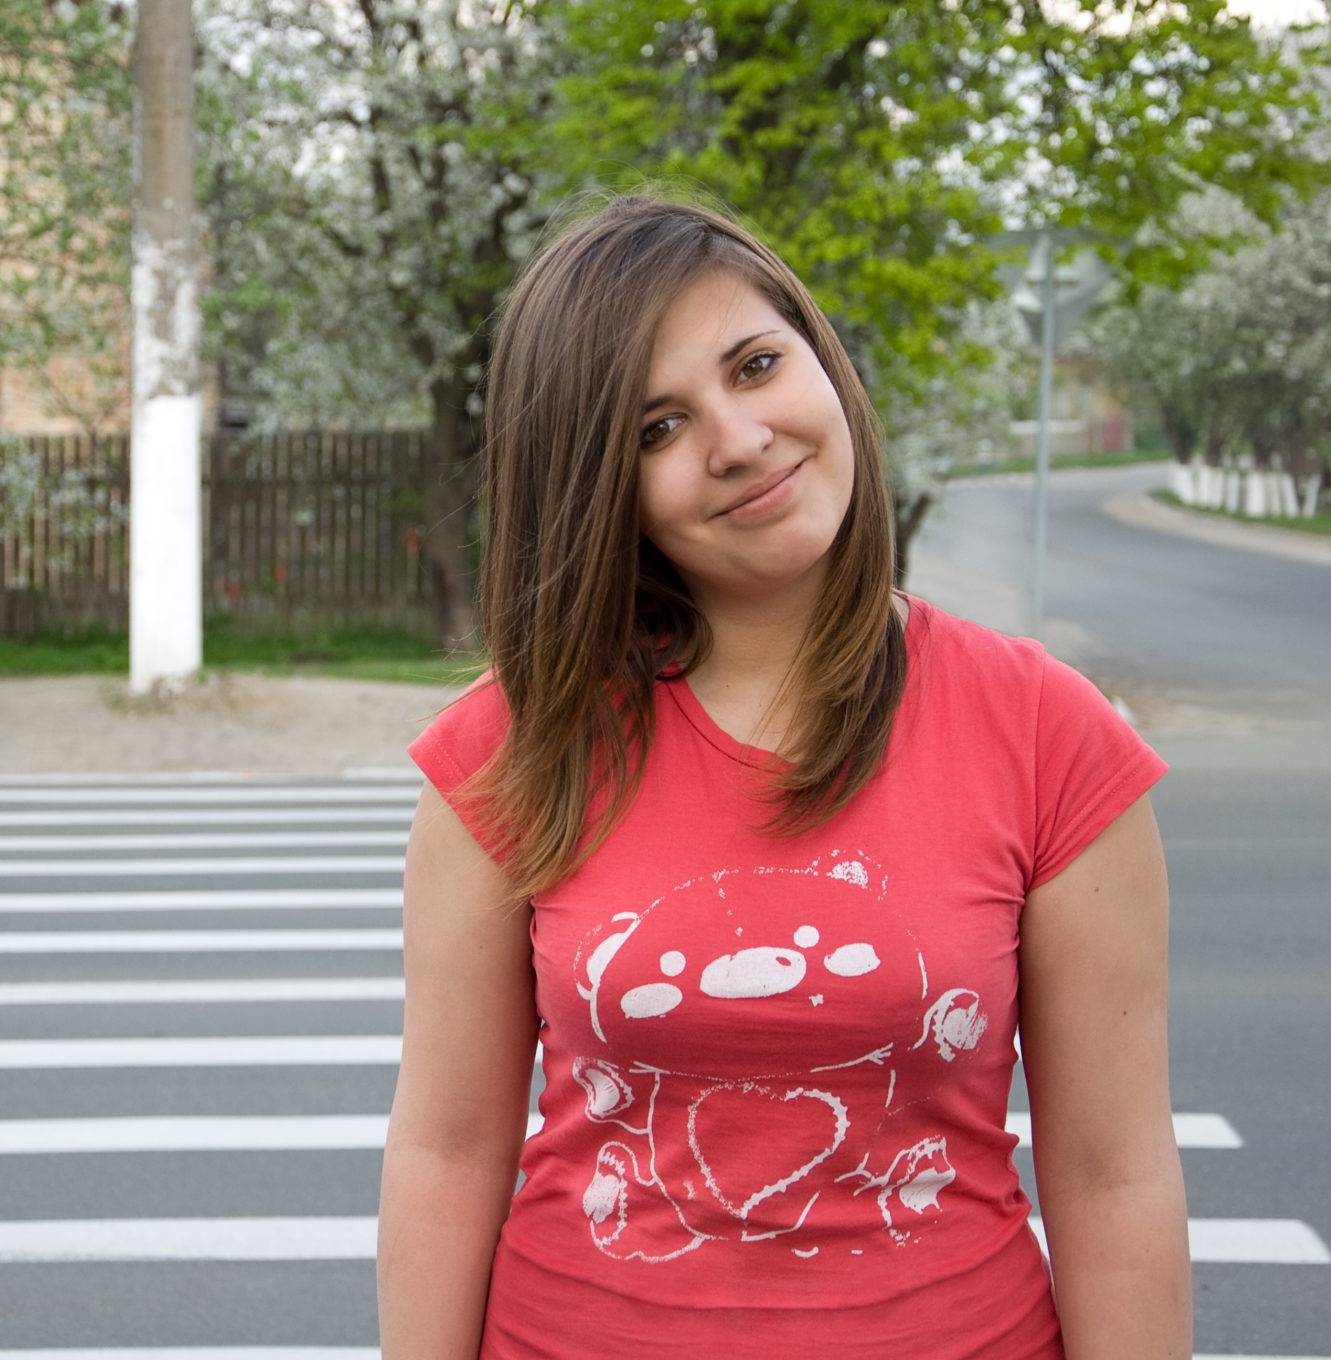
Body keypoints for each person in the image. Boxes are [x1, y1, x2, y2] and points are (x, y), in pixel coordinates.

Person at [377, 194, 1190, 1359]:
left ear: (821, 356)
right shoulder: (510, 749)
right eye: (655, 429)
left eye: (755, 365)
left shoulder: (1046, 734)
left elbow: (1112, 1176)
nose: (739, 438)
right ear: (599, 490)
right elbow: (445, 1154)